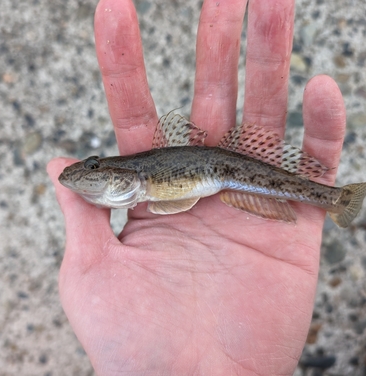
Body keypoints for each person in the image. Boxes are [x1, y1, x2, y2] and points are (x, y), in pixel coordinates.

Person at [47, 0, 347, 374]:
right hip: (217, 172)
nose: (89, 171)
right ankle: (331, 199)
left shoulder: (145, 179)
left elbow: (173, 200)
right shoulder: (140, 182)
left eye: (95, 167)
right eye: (93, 166)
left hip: (226, 170)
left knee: (256, 179)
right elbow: (172, 200)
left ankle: (329, 198)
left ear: (118, 174)